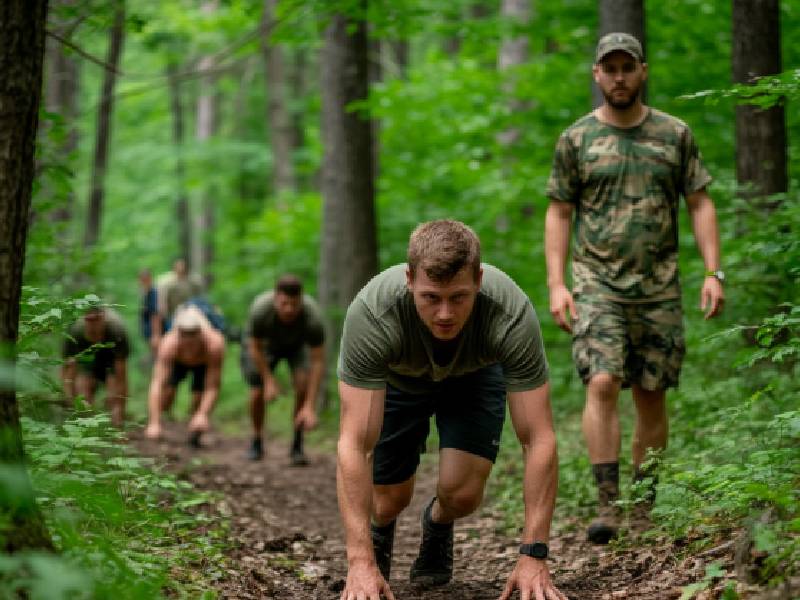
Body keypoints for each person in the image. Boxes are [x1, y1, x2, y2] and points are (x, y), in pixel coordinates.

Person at [544, 32, 724, 544]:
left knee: (650, 392)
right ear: (596, 75)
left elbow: (700, 202)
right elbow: (559, 211)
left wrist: (714, 272)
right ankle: (608, 504)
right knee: (601, 381)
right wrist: (558, 285)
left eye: (628, 67)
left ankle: (642, 507)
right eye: (610, 68)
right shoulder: (575, 139)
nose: (619, 77)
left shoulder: (674, 134)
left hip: (660, 285)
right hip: (596, 282)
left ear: (642, 71)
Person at [336, 220, 566, 600]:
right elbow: (354, 444)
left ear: (478, 279)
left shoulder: (509, 313)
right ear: (409, 279)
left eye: (458, 297)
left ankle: (438, 523)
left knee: (461, 496)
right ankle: (378, 539)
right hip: (399, 380)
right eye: (431, 298)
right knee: (387, 500)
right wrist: (359, 561)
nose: (445, 313)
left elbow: (538, 438)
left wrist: (534, 555)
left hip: (473, 379)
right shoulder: (374, 313)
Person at [241, 275, 325, 464]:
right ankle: (256, 440)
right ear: (276, 298)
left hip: (297, 346)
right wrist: (268, 380)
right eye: (284, 303)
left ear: (301, 300)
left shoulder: (313, 317)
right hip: (265, 346)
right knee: (256, 390)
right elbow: (255, 347)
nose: (289, 309)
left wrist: (310, 405)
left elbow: (318, 361)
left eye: (294, 304)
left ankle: (297, 444)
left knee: (302, 385)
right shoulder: (261, 309)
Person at [144, 305, 225, 447]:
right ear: (178, 335)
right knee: (167, 394)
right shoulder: (168, 345)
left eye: (193, 335)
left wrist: (203, 414)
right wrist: (154, 423)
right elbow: (157, 383)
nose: (189, 341)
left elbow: (212, 386)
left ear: (200, 334)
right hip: (177, 362)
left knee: (198, 398)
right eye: (185, 335)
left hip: (203, 364)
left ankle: (195, 432)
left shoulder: (214, 345)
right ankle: (159, 420)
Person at [62, 306, 129, 427]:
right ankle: (87, 427)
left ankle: (116, 428)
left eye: (96, 320)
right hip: (88, 359)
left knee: (113, 394)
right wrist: (70, 399)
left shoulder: (116, 329)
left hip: (110, 358)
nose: (92, 325)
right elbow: (68, 368)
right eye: (89, 320)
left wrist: (119, 408)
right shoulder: (76, 331)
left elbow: (121, 374)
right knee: (83, 391)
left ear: (103, 318)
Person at [152, 258, 203, 347]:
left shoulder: (194, 281)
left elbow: (200, 298)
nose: (181, 268)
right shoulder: (166, 282)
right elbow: (161, 302)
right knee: (172, 339)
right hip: (172, 315)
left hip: (192, 313)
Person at [139, 269, 158, 355]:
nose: (144, 282)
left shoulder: (153, 293)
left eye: (146, 279)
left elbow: (155, 314)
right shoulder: (144, 292)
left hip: (154, 331)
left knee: (157, 355)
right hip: (148, 331)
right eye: (142, 280)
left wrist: (155, 335)